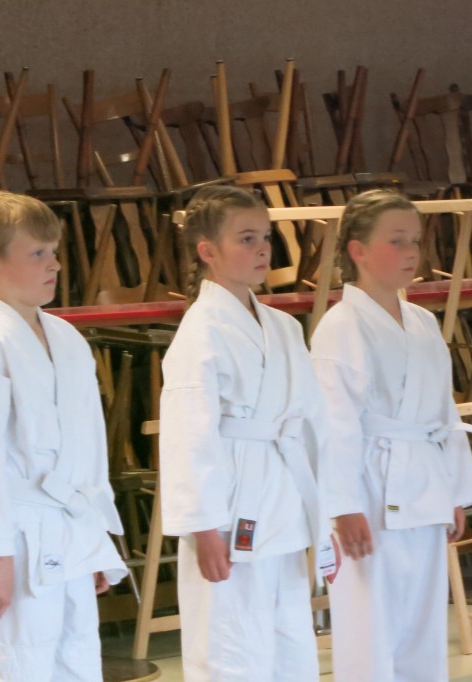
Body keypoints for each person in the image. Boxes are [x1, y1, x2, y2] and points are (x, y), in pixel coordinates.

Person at [0, 190, 127, 681]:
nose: (55, 264)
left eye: (54, 251)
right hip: (15, 537)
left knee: (78, 664)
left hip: (70, 528)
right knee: (15, 666)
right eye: (38, 253)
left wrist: (97, 537)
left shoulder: (67, 338)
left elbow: (89, 445)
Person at [310, 190, 472, 681]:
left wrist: (454, 491)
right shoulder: (340, 326)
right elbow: (333, 423)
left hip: (424, 483)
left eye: (415, 241)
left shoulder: (422, 321)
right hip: (368, 488)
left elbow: (443, 410)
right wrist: (342, 506)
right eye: (396, 241)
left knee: (423, 620)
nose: (411, 252)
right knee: (369, 621)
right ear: (358, 250)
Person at [159, 185, 335, 681]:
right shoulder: (200, 331)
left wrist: (326, 509)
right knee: (230, 647)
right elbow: (188, 436)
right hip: (229, 507)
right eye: (246, 239)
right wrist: (203, 528)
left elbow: (311, 421)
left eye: (266, 237)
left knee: (290, 643)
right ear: (207, 251)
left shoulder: (283, 327)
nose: (262, 249)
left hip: (283, 499)